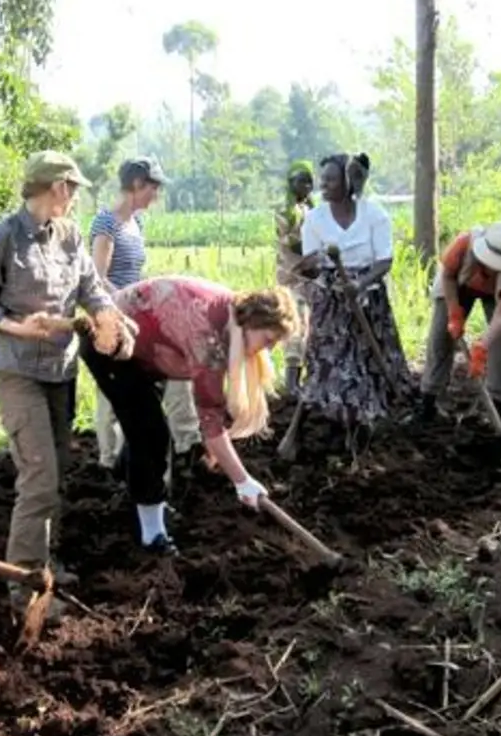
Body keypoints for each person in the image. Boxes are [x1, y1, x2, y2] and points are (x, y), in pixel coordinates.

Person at [0, 150, 124, 622]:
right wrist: (20, 327)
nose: (74, 197)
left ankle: (49, 561)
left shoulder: (71, 236)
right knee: (38, 478)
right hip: (18, 372)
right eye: (70, 188)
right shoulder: (1, 240)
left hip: (61, 372)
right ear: (54, 187)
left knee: (56, 475)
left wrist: (107, 316)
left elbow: (92, 287)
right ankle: (26, 584)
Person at [76, 277, 298, 554]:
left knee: (145, 428)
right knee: (151, 435)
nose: (268, 350)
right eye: (268, 340)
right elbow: (210, 420)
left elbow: (211, 417)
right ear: (252, 322)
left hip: (147, 352)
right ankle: (153, 536)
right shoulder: (208, 335)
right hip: (111, 345)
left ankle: (134, 490)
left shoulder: (231, 315)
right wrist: (242, 481)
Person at [89, 157, 202, 470]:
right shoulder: (106, 223)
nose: (156, 194)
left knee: (160, 373)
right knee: (112, 389)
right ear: (137, 185)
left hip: (138, 316)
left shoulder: (136, 223)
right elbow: (97, 276)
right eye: (153, 187)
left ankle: (184, 443)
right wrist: (126, 301)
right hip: (111, 315)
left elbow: (134, 271)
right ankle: (108, 460)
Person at [293, 153, 413, 446]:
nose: (324, 185)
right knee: (330, 362)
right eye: (323, 179)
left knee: (368, 360)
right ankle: (336, 421)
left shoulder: (375, 215)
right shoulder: (314, 218)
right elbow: (309, 262)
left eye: (331, 179)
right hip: (331, 304)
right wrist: (319, 266)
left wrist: (360, 284)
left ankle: (363, 424)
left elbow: (384, 261)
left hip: (368, 300)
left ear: (349, 183)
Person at [416, 222, 501, 422]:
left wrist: (483, 347)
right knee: (440, 336)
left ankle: (499, 405)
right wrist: (453, 313)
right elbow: (448, 276)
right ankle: (429, 400)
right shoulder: (462, 244)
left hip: (498, 296)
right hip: (457, 285)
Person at [274, 160, 317, 396]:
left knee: (309, 327)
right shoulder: (285, 211)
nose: (307, 185)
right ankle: (291, 383)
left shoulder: (309, 209)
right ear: (291, 183)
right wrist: (318, 251)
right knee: (296, 326)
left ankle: (302, 378)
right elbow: (293, 243)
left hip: (309, 277)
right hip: (292, 276)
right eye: (301, 181)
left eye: (309, 181)